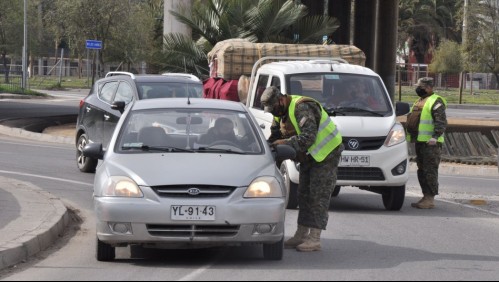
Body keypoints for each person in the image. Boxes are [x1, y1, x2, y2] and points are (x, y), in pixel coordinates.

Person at [260, 86, 344, 252]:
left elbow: (308, 138)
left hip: (326, 153)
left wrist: (284, 144)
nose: (273, 113)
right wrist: (267, 147)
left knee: (318, 195)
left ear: (281, 100)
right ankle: (301, 234)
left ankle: (315, 238)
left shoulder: (301, 107)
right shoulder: (280, 114)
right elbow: (275, 137)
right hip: (309, 156)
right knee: (303, 193)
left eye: (274, 108)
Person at [405, 77, 448, 209]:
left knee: (430, 171)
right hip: (420, 142)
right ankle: (425, 196)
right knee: (422, 170)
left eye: (421, 87)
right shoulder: (420, 101)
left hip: (431, 144)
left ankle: (430, 198)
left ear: (429, 87)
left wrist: (435, 137)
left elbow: (441, 122)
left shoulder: (436, 101)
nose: (418, 89)